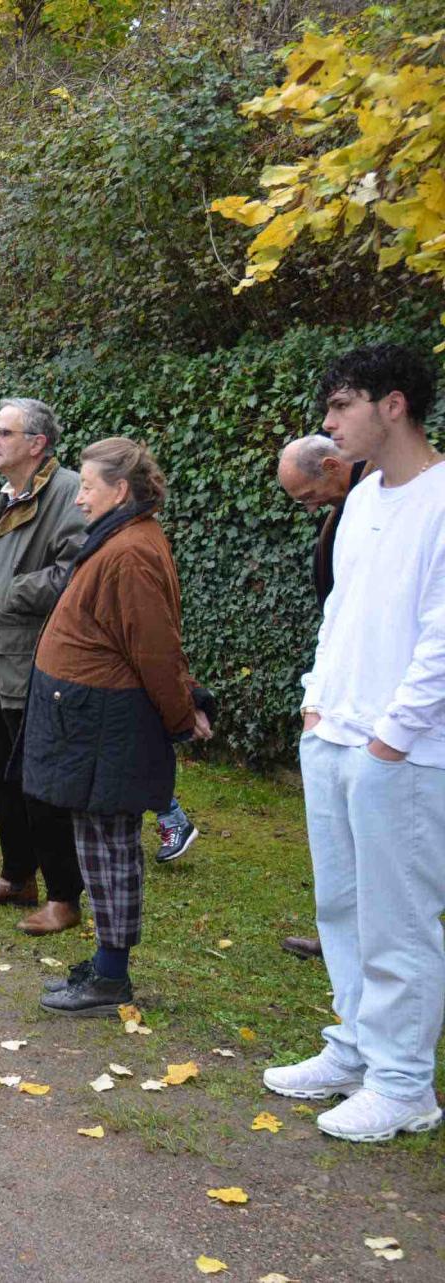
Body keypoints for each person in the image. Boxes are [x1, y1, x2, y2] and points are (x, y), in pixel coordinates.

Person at [264, 345, 445, 1143]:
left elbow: (442, 639)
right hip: (333, 732)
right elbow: (340, 615)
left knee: (399, 918)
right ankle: (359, 1047)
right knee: (341, 904)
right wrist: (314, 705)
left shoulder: (441, 500)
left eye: (341, 406)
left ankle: (405, 1082)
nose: (328, 424)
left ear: (393, 404)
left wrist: (391, 739)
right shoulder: (364, 498)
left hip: (402, 752)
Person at [24, 438, 212, 1015]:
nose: (78, 498)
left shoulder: (129, 550)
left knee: (109, 850)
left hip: (104, 723)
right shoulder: (121, 538)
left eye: (86, 486)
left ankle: (111, 976)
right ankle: (106, 967)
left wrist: (182, 715)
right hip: (88, 718)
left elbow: (154, 648)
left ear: (120, 490)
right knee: (99, 845)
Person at [0, 399, 89, 934]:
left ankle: (63, 897)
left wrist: (11, 593)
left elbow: (78, 571)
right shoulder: (12, 495)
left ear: (37, 443)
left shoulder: (67, 493)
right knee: (2, 778)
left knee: (40, 785)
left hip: (36, 665)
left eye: (3, 432)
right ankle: (16, 876)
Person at [270, 434, 371, 960]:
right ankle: (343, 927)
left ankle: (364, 932)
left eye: (306, 494)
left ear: (333, 465)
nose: (306, 506)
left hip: (374, 707)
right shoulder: (349, 502)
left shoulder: (377, 499)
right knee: (339, 834)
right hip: (336, 684)